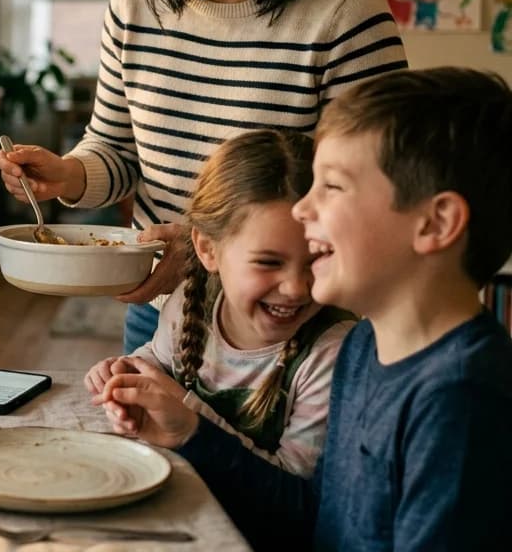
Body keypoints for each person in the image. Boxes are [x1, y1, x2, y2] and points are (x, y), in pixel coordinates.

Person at [0, 0, 407, 355]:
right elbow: (117, 150)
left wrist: (209, 244)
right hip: (162, 313)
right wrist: (65, 174)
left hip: (293, 320)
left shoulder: (345, 14)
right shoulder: (135, 2)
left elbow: (368, 193)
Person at [94, 67, 512, 551]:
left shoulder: (463, 399)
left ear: (435, 224)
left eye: (331, 187)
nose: (302, 209)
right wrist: (192, 432)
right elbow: (312, 522)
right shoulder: (363, 349)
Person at [86, 129, 351, 478]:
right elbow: (158, 359)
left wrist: (190, 419)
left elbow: (294, 497)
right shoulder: (188, 303)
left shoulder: (332, 353)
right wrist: (127, 371)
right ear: (208, 249)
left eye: (317, 258)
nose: (296, 288)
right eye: (269, 262)